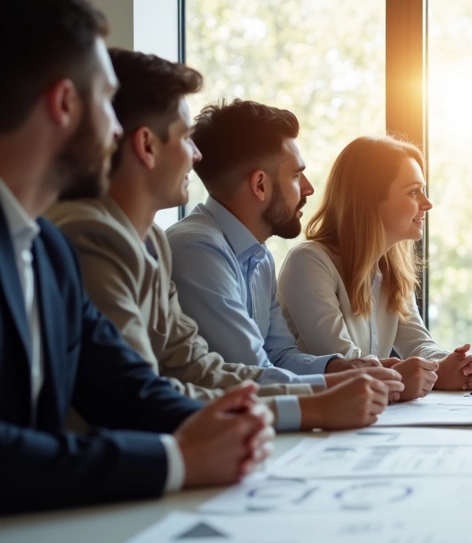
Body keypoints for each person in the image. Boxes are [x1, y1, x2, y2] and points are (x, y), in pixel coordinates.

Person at [0, 0, 273, 515]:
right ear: (63, 104)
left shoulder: (47, 251)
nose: (120, 130)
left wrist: (238, 422)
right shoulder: (80, 239)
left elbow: (128, 388)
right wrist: (177, 459)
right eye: (107, 101)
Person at [46, 49, 403, 430]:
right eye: (186, 138)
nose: (197, 156)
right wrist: (315, 404)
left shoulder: (153, 241)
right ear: (147, 146)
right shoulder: (127, 239)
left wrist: (333, 383)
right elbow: (138, 393)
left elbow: (198, 365)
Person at [165, 99, 402, 405]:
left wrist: (340, 368)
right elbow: (253, 370)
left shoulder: (259, 256)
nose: (308, 188)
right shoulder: (198, 250)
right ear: (260, 185)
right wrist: (335, 390)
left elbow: (279, 354)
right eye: (295, 176)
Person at [278, 135, 472, 395]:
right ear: (369, 199)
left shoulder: (390, 268)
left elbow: (419, 343)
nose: (427, 203)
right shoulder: (308, 263)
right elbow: (343, 363)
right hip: (320, 424)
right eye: (413, 191)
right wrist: (428, 372)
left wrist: (459, 364)